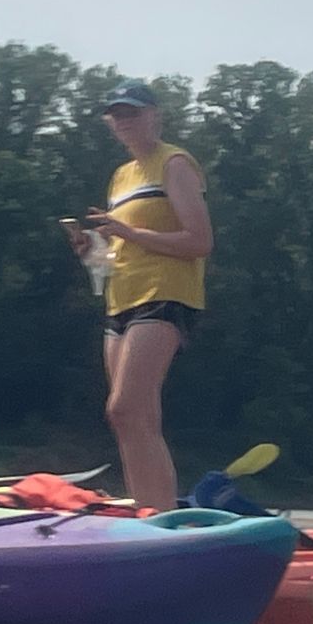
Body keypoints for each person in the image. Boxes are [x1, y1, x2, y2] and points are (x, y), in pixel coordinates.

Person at [67, 79, 212, 512]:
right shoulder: (121, 176)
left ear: (155, 115)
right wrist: (95, 250)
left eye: (133, 112)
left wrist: (129, 232)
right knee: (131, 418)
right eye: (117, 115)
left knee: (126, 407)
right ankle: (150, 517)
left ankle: (159, 519)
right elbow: (120, 250)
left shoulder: (175, 163)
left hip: (165, 292)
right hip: (121, 294)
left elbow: (199, 241)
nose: (125, 121)